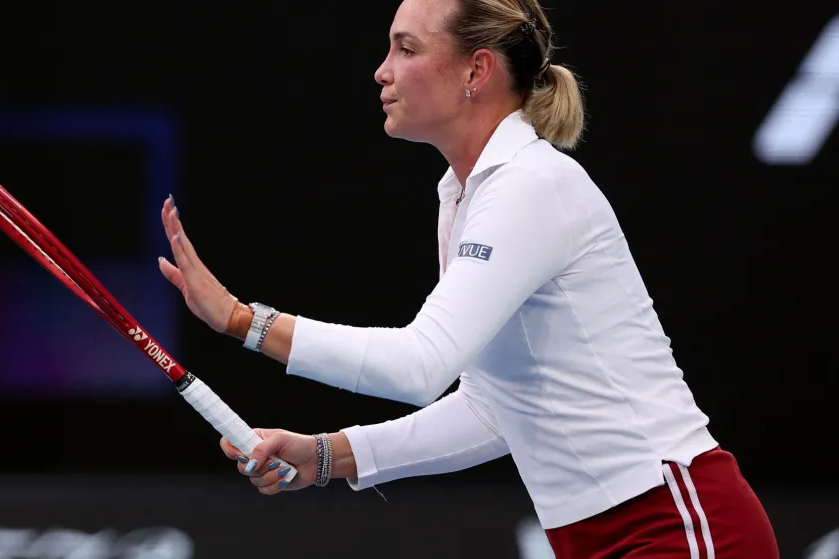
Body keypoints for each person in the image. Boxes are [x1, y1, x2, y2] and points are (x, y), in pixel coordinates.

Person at [156, 0, 780, 557]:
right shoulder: (461, 195)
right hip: (592, 537)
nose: (383, 70)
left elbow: (420, 367)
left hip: (675, 523)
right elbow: (493, 408)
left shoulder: (531, 185)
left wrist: (244, 322)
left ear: (476, 71)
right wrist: (327, 456)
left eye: (407, 48)